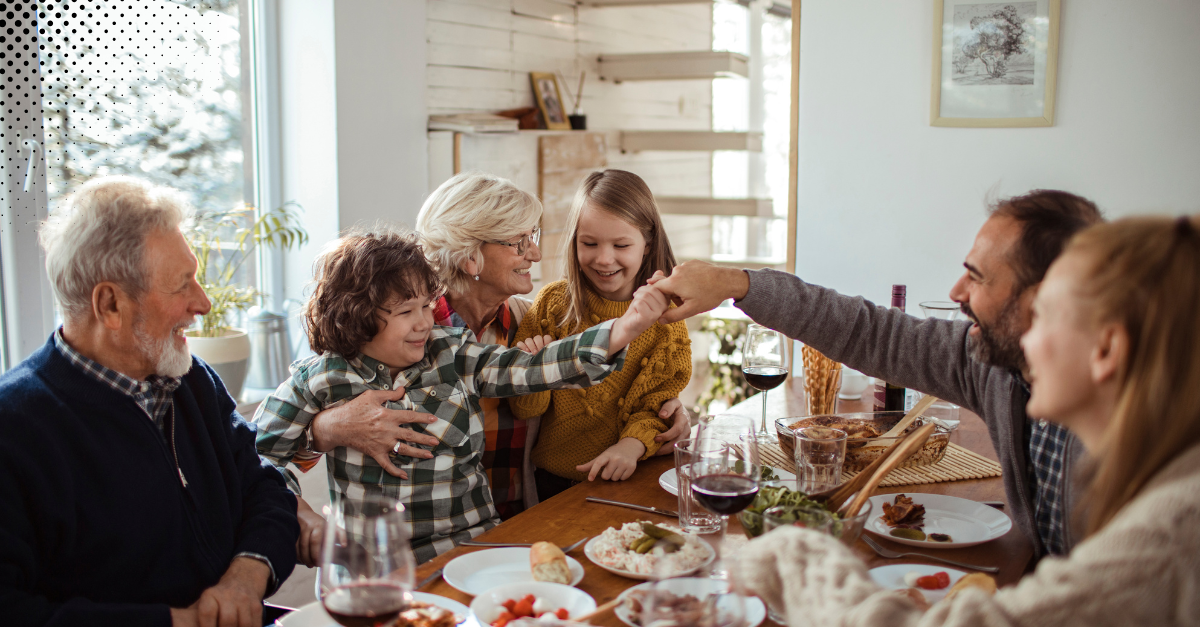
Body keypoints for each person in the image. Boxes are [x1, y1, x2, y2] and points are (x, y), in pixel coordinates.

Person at [736, 214, 1200, 627]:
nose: (1030, 343)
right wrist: (739, 284)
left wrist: (801, 558)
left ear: (1106, 350)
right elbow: (873, 331)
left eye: (1046, 317)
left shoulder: (1170, 537)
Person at [650, 190, 1102, 559]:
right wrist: (735, 284)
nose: (956, 292)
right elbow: (866, 330)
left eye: (977, 278)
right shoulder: (995, 367)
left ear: (1042, 298)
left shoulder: (1124, 421)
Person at [292, 172, 690, 555]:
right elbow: (278, 442)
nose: (534, 253)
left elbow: (574, 370)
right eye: (519, 242)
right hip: (389, 549)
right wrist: (328, 429)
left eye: (531, 238)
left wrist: (666, 411)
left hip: (507, 531)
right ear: (470, 257)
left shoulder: (527, 321)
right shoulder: (385, 333)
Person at [0, 176, 299, 627]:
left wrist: (245, 577)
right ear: (111, 305)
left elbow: (264, 489)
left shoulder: (192, 380)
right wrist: (181, 622)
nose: (203, 302)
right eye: (183, 285)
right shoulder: (15, 428)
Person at [509, 169, 692, 499]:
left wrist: (632, 445)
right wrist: (534, 369)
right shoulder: (553, 304)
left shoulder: (667, 322)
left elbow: (658, 408)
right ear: (574, 241)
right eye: (589, 243)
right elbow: (526, 410)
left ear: (647, 244)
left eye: (621, 244)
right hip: (550, 483)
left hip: (630, 476)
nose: (604, 259)